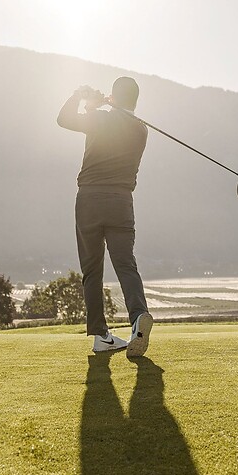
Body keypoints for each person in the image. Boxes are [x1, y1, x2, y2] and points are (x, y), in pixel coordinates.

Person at [57, 77, 153, 357]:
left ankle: (101, 335)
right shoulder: (141, 129)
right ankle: (138, 318)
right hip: (121, 201)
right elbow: (116, 123)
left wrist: (82, 98)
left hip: (88, 199)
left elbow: (63, 119)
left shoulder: (99, 119)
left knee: (92, 270)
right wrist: (100, 106)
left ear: (114, 96)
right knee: (125, 264)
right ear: (135, 101)